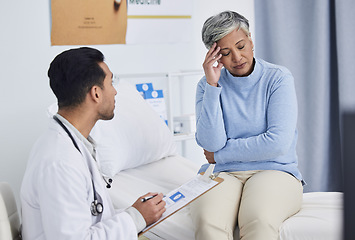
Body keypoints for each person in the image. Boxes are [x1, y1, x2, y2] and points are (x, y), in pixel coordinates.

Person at [20, 47, 166, 240]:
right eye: (111, 82)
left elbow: (90, 216)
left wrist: (135, 213)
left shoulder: (72, 143)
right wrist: (135, 218)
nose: (115, 91)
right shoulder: (59, 161)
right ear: (96, 93)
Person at [190, 11, 304, 240]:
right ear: (215, 56)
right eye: (225, 53)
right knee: (208, 222)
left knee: (259, 220)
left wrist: (220, 155)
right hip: (225, 173)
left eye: (241, 46)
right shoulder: (206, 86)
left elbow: (277, 143)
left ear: (251, 39)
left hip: (275, 170)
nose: (237, 57)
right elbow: (211, 142)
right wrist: (213, 87)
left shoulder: (278, 78)